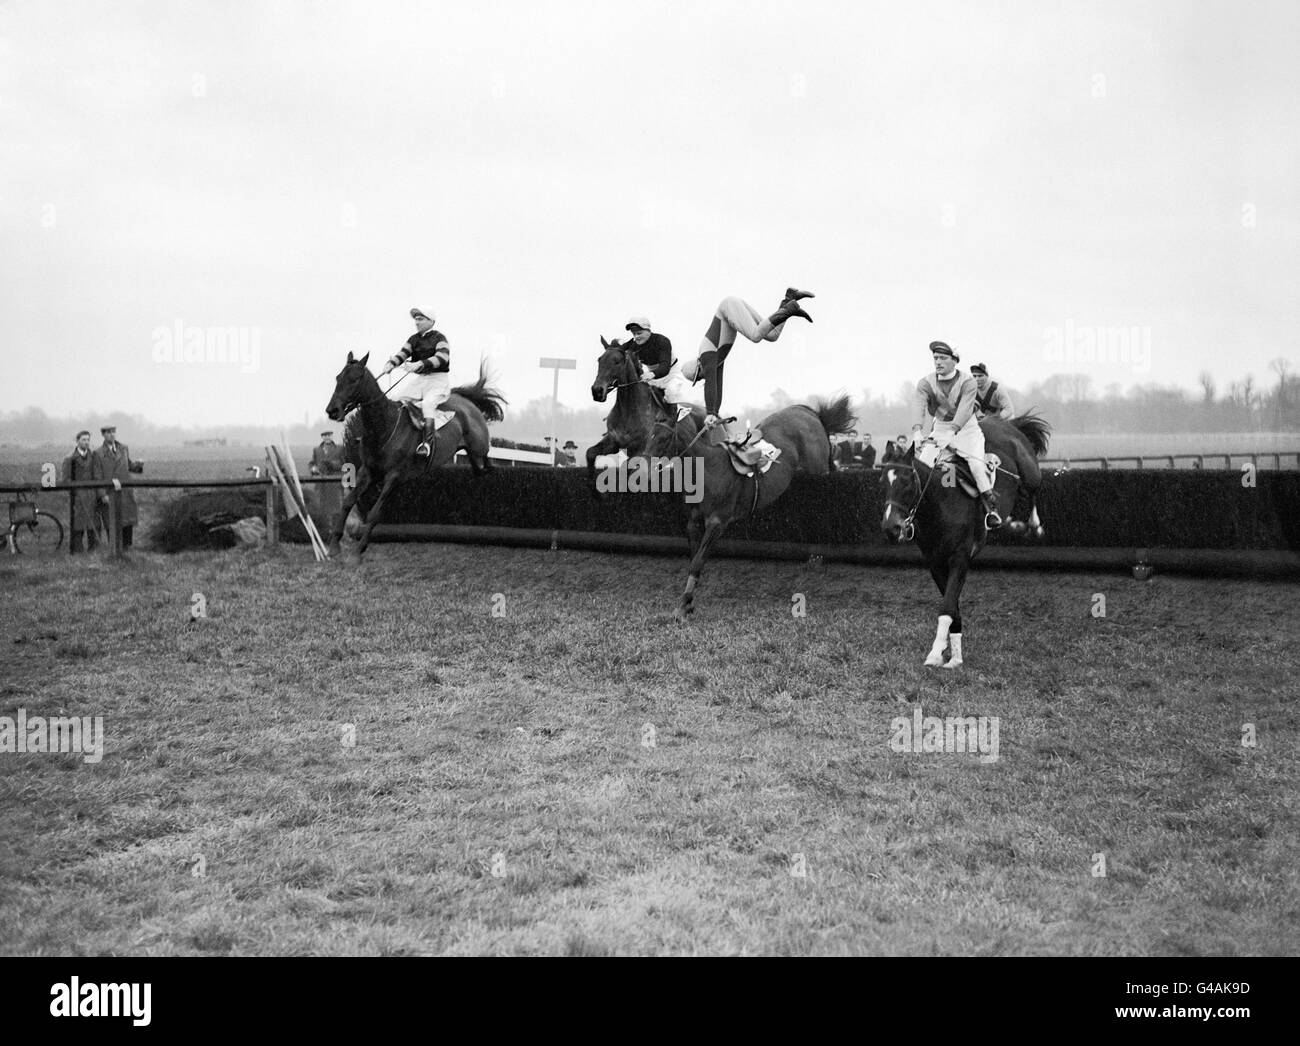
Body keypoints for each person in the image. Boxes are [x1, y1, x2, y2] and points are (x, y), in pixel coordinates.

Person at [680, 288, 814, 444]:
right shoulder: (715, 359)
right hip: (731, 306)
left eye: (699, 376)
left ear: (698, 367)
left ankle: (789, 309)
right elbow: (718, 386)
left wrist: (709, 413)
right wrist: (715, 413)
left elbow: (710, 383)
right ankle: (789, 298)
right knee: (772, 335)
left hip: (728, 307)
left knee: (756, 335)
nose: (703, 377)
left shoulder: (706, 356)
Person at [910, 341, 1001, 528]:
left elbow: (965, 410)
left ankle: (991, 509)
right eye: (935, 358)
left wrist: (952, 431)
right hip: (941, 428)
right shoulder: (925, 383)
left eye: (943, 358)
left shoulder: (968, 382)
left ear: (954, 361)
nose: (938, 362)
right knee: (926, 468)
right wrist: (917, 430)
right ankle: (921, 514)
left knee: (976, 465)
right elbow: (918, 405)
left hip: (967, 430)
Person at [380, 307, 454, 457]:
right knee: (396, 400)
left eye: (420, 319)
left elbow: (442, 358)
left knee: (427, 404)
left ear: (431, 321)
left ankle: (427, 444)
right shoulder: (413, 339)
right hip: (421, 380)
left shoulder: (440, 338)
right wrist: (391, 364)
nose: (416, 322)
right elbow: (402, 354)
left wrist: (420, 364)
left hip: (438, 380)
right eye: (416, 319)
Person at [91, 425, 143, 547]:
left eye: (113, 432)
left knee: (127, 520)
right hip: (110, 492)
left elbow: (128, 465)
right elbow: (97, 476)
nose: (112, 435)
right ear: (103, 435)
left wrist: (138, 466)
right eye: (108, 433)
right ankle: (114, 549)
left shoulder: (123, 449)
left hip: (125, 491)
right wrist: (102, 494)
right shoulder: (98, 453)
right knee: (112, 521)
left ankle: (127, 548)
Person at [623, 317, 692, 409]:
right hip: (652, 376)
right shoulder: (634, 345)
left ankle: (678, 416)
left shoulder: (662, 341)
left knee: (671, 391)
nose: (636, 337)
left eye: (639, 333)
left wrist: (652, 374)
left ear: (648, 331)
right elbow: (618, 350)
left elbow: (665, 367)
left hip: (671, 373)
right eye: (634, 334)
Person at [61, 430, 99, 553]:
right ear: (77, 441)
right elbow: (66, 479)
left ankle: (94, 550)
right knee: (78, 524)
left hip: (92, 495)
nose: (86, 442)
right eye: (83, 440)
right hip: (77, 497)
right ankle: (77, 550)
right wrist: (75, 492)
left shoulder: (94, 457)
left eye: (88, 440)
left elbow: (98, 475)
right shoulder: (70, 459)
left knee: (94, 524)